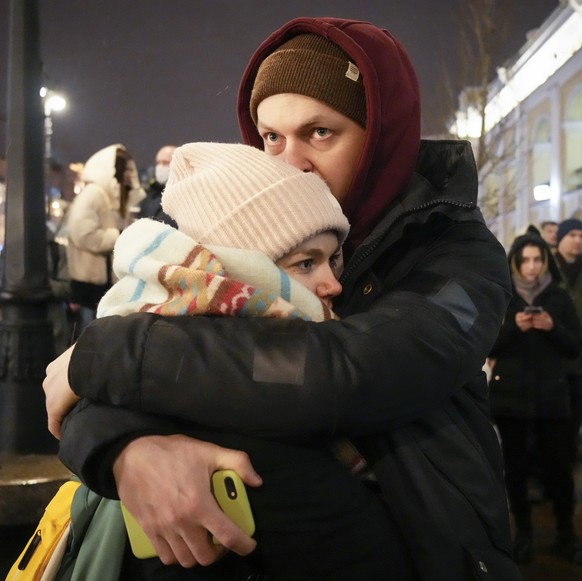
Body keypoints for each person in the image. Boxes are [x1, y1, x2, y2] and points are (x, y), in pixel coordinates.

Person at [44, 17, 520, 580]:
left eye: (320, 132)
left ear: (381, 135)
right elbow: (82, 396)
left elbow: (346, 373)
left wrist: (108, 355)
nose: (288, 161)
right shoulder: (250, 234)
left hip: (425, 550)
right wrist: (128, 451)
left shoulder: (457, 254)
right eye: (271, 136)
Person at [489, 228, 582, 564]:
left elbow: (574, 346)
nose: (531, 266)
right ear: (515, 261)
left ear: (545, 262)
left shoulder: (557, 297)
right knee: (514, 469)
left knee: (558, 468)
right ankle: (524, 533)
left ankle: (565, 534)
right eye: (525, 259)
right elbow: (488, 344)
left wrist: (551, 327)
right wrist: (514, 325)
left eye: (537, 259)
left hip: (550, 394)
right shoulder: (504, 296)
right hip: (511, 395)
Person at [66, 144, 144, 330]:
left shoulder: (111, 195)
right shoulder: (94, 194)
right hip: (91, 285)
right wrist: (119, 236)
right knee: (89, 338)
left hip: (104, 283)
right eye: (126, 169)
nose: (130, 175)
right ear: (114, 169)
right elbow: (83, 234)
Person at [554, 218, 582, 461]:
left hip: (579, 362)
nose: (577, 240)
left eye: (581, 235)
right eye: (572, 235)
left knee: (574, 420)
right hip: (552, 357)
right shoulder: (547, 269)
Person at [138, 144, 177, 227]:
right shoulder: (150, 195)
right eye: (158, 163)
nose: (160, 167)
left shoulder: (184, 196)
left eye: (165, 162)